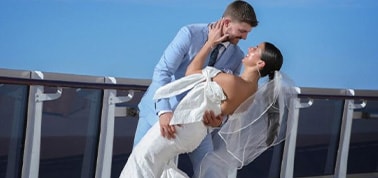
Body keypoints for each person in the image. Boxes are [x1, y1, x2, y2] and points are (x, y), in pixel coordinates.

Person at [119, 20, 287, 178]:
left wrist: (209, 44)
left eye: (256, 49)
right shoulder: (252, 93)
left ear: (260, 64)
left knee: (141, 162)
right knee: (161, 169)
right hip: (197, 133)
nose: (250, 47)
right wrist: (218, 121)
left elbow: (191, 72)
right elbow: (224, 116)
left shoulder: (231, 81)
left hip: (181, 125)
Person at [133, 0, 258, 176]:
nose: (245, 37)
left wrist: (219, 120)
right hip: (159, 114)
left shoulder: (237, 56)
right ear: (227, 23)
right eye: (242, 31)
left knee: (210, 169)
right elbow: (163, 71)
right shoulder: (190, 34)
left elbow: (227, 98)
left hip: (198, 123)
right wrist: (164, 111)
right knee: (141, 167)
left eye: (247, 33)